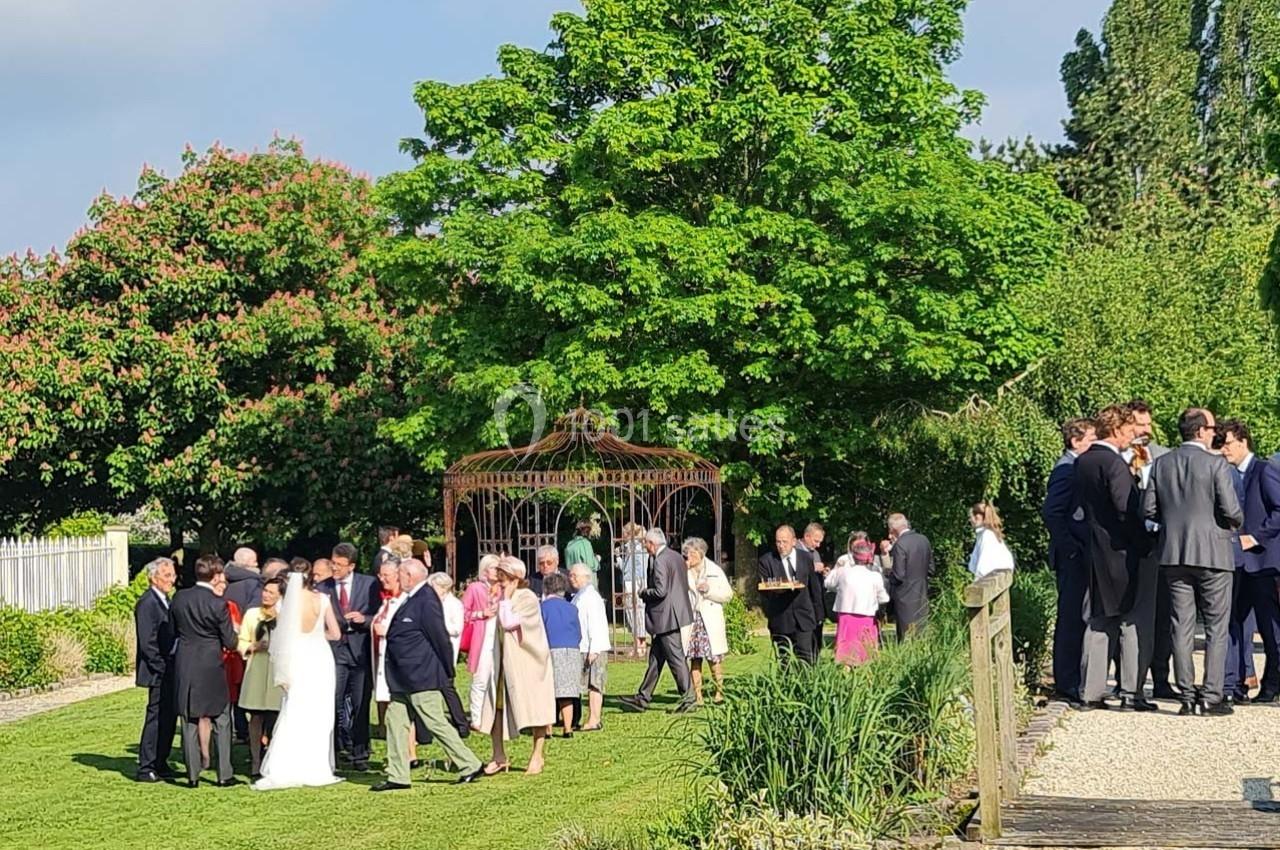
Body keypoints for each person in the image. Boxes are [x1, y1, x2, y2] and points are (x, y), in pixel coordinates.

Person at [1146, 408, 1244, 716]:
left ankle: (1187, 695)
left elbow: (1148, 510)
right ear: (1200, 431)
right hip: (1214, 553)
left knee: (1181, 624)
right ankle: (1211, 695)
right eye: (1212, 427)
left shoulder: (1161, 464)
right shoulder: (1215, 464)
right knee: (1216, 625)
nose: (1215, 432)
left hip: (1174, 553)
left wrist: (1174, 524)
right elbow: (1232, 510)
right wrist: (1233, 523)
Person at [371, 558, 484, 791]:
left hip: (421, 676)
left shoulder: (426, 599)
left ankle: (470, 764)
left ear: (410, 576)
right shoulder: (411, 598)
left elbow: (439, 637)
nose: (397, 578)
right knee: (395, 722)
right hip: (401, 677)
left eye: (400, 574)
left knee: (434, 721)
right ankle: (398, 775)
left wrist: (447, 670)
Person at [1075, 404, 1148, 711]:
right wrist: (1144, 540)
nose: (1134, 436)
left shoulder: (1083, 461)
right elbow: (1125, 509)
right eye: (1130, 430)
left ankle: (1090, 690)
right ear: (1117, 430)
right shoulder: (1114, 464)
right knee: (1130, 620)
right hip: (1119, 551)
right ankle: (1131, 691)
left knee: (1098, 618)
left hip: (1094, 548)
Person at [253, 559, 345, 790]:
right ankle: (316, 765)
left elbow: (281, 642)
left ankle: (289, 765)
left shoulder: (284, 605)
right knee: (320, 711)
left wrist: (282, 672)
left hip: (299, 657)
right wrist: (316, 635)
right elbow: (335, 634)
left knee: (294, 709)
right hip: (321, 657)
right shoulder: (323, 600)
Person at [1218, 420, 1280, 704]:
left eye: (1227, 443)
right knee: (1237, 623)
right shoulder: (1227, 473)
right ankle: (1238, 683)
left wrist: (1255, 537)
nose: (1224, 449)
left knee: (1269, 629)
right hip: (1237, 562)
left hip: (1263, 562)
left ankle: (1272, 685)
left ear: (1243, 442)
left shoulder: (1264, 470)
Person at [480, 556, 555, 776]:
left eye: (503, 579)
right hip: (502, 662)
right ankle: (498, 755)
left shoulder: (527, 597)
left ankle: (537, 754)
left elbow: (510, 623)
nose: (499, 583)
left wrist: (505, 598)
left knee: (535, 707)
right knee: (496, 707)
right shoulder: (502, 595)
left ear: (514, 579)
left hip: (528, 662)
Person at [171, 555, 239, 787]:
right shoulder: (218, 603)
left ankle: (192, 776)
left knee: (189, 719)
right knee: (220, 717)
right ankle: (224, 774)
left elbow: (172, 630)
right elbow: (230, 642)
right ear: (216, 576)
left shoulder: (179, 598)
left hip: (186, 662)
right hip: (211, 664)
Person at [1124, 399, 1175, 701]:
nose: (1145, 431)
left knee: (1163, 613)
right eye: (1139, 425)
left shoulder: (1164, 458)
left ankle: (1161, 677)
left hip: (1160, 547)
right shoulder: (1117, 458)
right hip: (1127, 548)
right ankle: (1128, 679)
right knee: (1127, 615)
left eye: (1148, 424)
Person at [1043, 417, 1096, 705]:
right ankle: (1067, 681)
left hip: (1075, 552)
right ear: (1076, 442)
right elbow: (1052, 512)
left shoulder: (1074, 467)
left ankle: (1074, 678)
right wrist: (1071, 548)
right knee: (1071, 618)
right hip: (1071, 556)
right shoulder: (1066, 469)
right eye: (1091, 439)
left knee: (1078, 616)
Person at [317, 541, 380, 771]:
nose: (334, 568)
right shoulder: (323, 588)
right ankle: (333, 751)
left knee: (361, 702)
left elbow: (380, 614)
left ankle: (360, 752)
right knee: (333, 701)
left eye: (339, 565)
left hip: (360, 649)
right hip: (335, 651)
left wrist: (365, 619)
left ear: (351, 566)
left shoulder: (369, 584)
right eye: (332, 563)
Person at [620, 528, 697, 712]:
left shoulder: (661, 560)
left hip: (666, 617)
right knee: (655, 659)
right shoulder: (676, 556)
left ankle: (689, 698)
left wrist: (643, 593)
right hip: (673, 614)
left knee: (676, 659)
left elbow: (661, 591)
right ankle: (643, 697)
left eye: (645, 543)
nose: (645, 547)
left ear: (652, 544)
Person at [134, 557, 178, 782]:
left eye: (173, 575)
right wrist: (160, 667)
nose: (172, 580)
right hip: (157, 670)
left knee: (168, 715)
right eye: (167, 576)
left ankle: (161, 761)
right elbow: (147, 642)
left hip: (168, 667)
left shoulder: (165, 600)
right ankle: (147, 765)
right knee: (156, 716)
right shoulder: (147, 603)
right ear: (154, 577)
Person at [238, 576, 286, 779]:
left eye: (271, 592)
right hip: (257, 669)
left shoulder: (286, 616)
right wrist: (253, 647)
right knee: (255, 715)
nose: (266, 595)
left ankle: (273, 759)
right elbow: (241, 640)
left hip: (277, 670)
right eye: (265, 591)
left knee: (275, 717)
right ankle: (255, 761)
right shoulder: (252, 614)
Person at [757, 525, 823, 662]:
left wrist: (819, 614)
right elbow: (763, 591)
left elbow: (814, 587)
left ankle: (806, 683)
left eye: (784, 542)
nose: (781, 546)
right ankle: (785, 683)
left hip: (804, 617)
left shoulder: (805, 558)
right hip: (781, 618)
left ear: (793, 541)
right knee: (784, 660)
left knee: (806, 659)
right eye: (778, 542)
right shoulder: (766, 561)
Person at [682, 537, 733, 704]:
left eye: (692, 552)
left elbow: (727, 595)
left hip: (709, 620)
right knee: (695, 659)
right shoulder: (684, 571)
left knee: (714, 659)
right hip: (692, 620)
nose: (688, 556)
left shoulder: (714, 570)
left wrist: (709, 590)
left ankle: (719, 692)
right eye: (687, 553)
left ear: (700, 553)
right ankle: (698, 696)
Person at [826, 537, 890, 664]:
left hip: (846, 617)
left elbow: (828, 584)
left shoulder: (842, 572)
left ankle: (845, 678)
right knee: (866, 653)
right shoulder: (874, 576)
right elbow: (884, 598)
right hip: (866, 618)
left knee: (846, 653)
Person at [540, 572, 583, 738]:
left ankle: (548, 729)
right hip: (571, 650)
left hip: (550, 649)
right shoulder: (572, 608)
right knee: (567, 692)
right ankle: (568, 728)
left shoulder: (542, 607)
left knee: (549, 691)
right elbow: (578, 632)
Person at [461, 554, 500, 731]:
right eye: (494, 568)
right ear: (485, 570)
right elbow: (463, 612)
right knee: (480, 679)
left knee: (495, 678)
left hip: (498, 638)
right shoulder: (475, 588)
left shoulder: (502, 589)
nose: (498, 571)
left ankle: (492, 715)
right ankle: (476, 718)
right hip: (481, 639)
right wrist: (480, 614)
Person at [569, 564, 609, 731]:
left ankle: (594, 719)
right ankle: (590, 718)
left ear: (585, 577)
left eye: (574, 576)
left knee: (595, 683)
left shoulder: (591, 597)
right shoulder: (580, 595)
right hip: (584, 645)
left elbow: (596, 623)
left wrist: (594, 649)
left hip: (593, 647)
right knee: (587, 684)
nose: (571, 579)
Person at [885, 514, 933, 640]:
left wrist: (888, 577)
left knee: (905, 635)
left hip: (904, 595)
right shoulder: (924, 540)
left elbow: (899, 575)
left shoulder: (900, 544)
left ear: (892, 529)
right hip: (922, 592)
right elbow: (931, 569)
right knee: (921, 633)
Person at [615, 522, 649, 655]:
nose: (621, 535)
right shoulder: (631, 547)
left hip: (634, 584)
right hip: (631, 582)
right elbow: (627, 568)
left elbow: (638, 569)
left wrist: (637, 588)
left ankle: (640, 646)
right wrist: (618, 556)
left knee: (636, 613)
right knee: (633, 614)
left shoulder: (636, 547)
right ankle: (638, 644)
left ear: (628, 534)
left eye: (623, 533)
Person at [795, 522, 828, 656]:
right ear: (807, 536)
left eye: (820, 542)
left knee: (816, 639)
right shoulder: (794, 549)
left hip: (815, 600)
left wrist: (823, 572)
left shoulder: (815, 553)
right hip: (802, 600)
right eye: (816, 541)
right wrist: (813, 568)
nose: (818, 545)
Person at [968, 502, 1015, 579]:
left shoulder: (987, 535)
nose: (970, 520)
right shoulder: (986, 533)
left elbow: (984, 565)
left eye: (971, 517)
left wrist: (976, 582)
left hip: (993, 580)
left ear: (977, 517)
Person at [428, 572, 465, 665]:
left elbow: (457, 628)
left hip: (447, 645)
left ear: (443, 587)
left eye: (433, 586)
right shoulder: (430, 602)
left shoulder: (455, 604)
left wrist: (438, 626)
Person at [565, 519, 598, 585]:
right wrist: (597, 559)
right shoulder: (585, 543)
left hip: (572, 581)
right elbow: (590, 565)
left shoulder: (569, 544)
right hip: (584, 581)